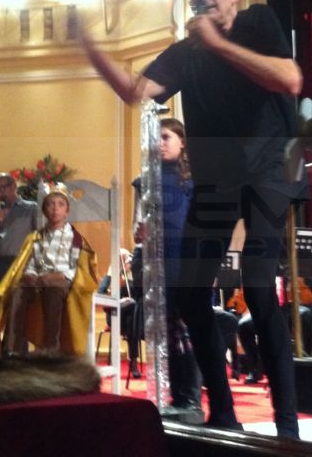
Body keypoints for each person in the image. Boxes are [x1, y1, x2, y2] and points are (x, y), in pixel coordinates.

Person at [80, 0, 304, 438]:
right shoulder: (186, 53)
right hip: (215, 182)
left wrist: (219, 45)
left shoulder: (257, 22)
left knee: (259, 286)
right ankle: (223, 413)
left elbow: (289, 79)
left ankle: (287, 426)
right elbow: (135, 91)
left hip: (267, 172)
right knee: (189, 293)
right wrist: (89, 47)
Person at [132, 118, 203, 421]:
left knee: (187, 332)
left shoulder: (194, 180)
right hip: (158, 265)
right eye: (156, 138)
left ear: (182, 141)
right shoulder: (144, 181)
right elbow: (137, 227)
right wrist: (140, 233)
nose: (159, 143)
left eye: (166, 137)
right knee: (167, 334)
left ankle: (191, 398)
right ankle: (177, 396)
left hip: (187, 263)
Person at [0, 185, 99, 360]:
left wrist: (54, 277)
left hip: (60, 281)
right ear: (44, 210)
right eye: (50, 204)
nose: (55, 209)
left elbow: (73, 269)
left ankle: (50, 350)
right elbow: (31, 262)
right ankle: (13, 349)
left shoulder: (74, 238)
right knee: (17, 291)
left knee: (53, 293)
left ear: (67, 211)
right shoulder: (36, 237)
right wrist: (31, 274)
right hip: (38, 280)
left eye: (60, 204)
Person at [0, 173, 38, 294]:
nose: (0, 193)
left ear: (14, 186)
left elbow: (40, 239)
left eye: (3, 188)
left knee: (16, 304)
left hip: (19, 267)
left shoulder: (31, 209)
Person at [97, 249, 142, 378]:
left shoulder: (134, 276)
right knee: (131, 312)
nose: (126, 263)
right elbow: (101, 293)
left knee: (132, 315)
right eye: (123, 260)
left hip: (129, 317)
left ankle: (130, 362)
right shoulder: (111, 274)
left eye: (127, 259)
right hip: (113, 314)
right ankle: (133, 363)